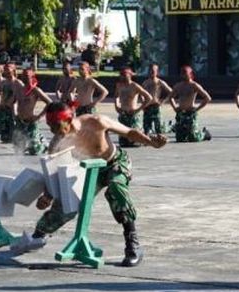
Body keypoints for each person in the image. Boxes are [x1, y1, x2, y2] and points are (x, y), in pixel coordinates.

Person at [10, 101, 167, 267]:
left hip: (115, 162)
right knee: (69, 203)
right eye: (49, 125)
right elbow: (54, 174)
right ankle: (39, 234)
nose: (52, 130)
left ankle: (132, 243)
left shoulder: (96, 122)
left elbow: (129, 132)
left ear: (68, 120)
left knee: (115, 187)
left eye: (55, 125)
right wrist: (48, 196)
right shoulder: (56, 144)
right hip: (90, 171)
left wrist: (151, 142)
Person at [11, 67, 52, 155]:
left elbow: (49, 102)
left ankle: (44, 144)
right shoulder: (19, 89)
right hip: (20, 120)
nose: (25, 78)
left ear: (32, 76)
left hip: (30, 120)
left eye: (27, 76)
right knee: (18, 147)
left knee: (34, 151)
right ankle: (39, 137)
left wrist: (39, 116)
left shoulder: (35, 90)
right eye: (23, 75)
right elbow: (13, 102)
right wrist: (14, 113)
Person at [113, 67, 154, 148]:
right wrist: (117, 106)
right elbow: (116, 96)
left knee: (134, 141)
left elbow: (149, 98)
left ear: (130, 75)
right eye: (121, 75)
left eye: (125, 74)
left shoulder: (134, 86)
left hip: (132, 114)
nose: (123, 76)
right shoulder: (119, 85)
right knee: (123, 142)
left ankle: (146, 141)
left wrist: (139, 109)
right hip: (123, 114)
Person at [169, 66, 212, 142]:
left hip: (190, 113)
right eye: (182, 73)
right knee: (180, 139)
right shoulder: (178, 86)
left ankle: (204, 134)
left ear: (191, 74)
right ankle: (183, 132)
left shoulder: (194, 85)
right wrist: (175, 107)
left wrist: (197, 108)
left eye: (186, 73)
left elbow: (207, 98)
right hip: (181, 113)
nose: (184, 75)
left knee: (193, 137)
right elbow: (171, 97)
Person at [140, 64, 172, 136]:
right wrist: (143, 103)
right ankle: (147, 139)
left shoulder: (159, 82)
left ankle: (162, 135)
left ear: (157, 72)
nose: (151, 72)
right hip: (147, 106)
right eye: (150, 71)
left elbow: (171, 92)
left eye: (153, 71)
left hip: (155, 106)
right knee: (146, 127)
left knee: (158, 126)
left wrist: (163, 102)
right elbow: (141, 94)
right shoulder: (145, 82)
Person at [0, 63, 18, 143]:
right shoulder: (4, 82)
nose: (6, 71)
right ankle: (6, 138)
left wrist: (11, 102)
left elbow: (18, 95)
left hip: (12, 108)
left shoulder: (16, 82)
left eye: (8, 69)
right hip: (4, 107)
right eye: (5, 70)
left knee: (13, 124)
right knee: (4, 127)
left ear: (13, 70)